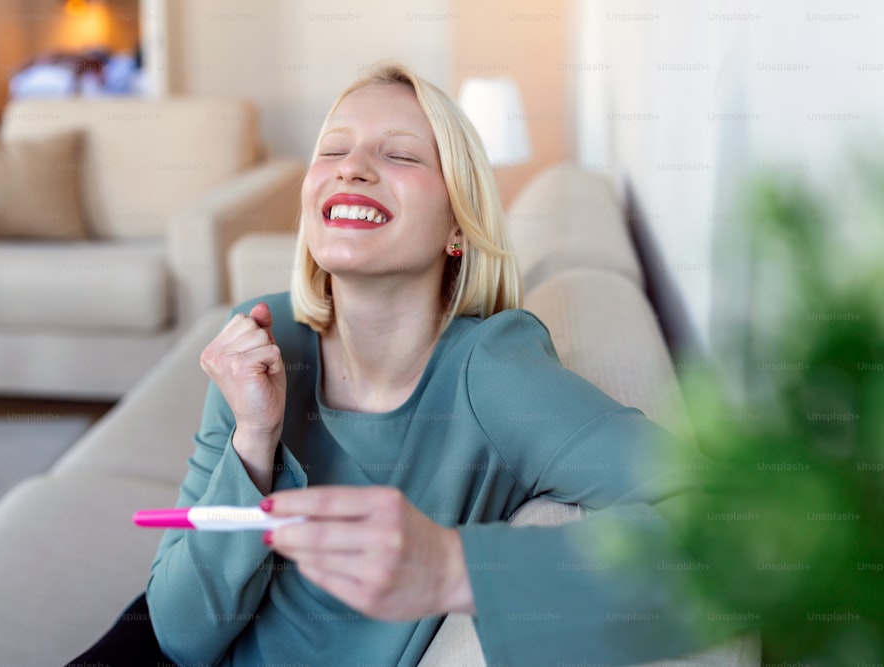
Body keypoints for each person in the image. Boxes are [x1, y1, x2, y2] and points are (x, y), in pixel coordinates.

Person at [69, 62, 725, 667]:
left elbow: (734, 528)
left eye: (401, 153)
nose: (350, 167)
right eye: (333, 148)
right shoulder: (263, 339)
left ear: (457, 228)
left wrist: (453, 568)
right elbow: (179, 634)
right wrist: (252, 440)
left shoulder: (490, 373)